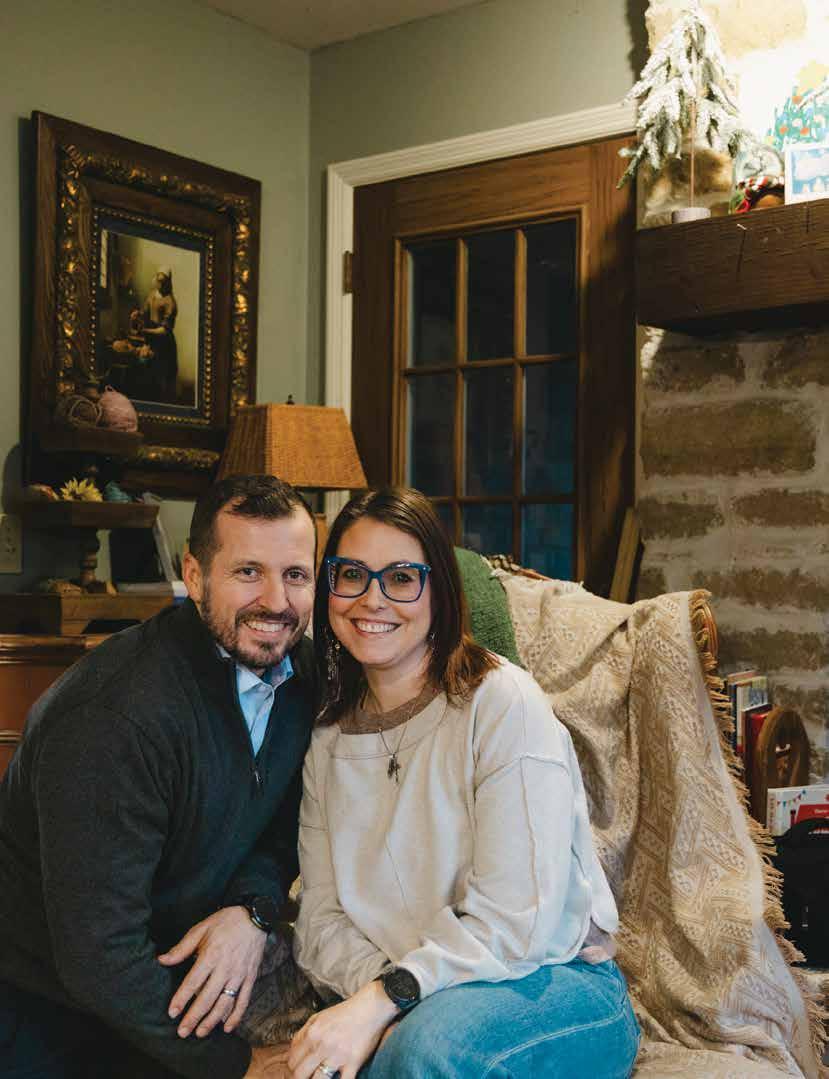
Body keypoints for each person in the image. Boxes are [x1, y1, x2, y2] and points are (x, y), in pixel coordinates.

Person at [288, 486, 640, 1079]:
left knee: (425, 1052)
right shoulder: (327, 739)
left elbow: (517, 921)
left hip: (553, 983)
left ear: (440, 592)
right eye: (351, 575)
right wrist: (385, 1001)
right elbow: (320, 922)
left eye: (402, 578)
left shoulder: (501, 703)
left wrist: (389, 1000)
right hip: (418, 993)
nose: (372, 599)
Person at [0, 474, 318, 1079]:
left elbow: (283, 827)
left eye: (295, 575)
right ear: (194, 576)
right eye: (248, 571)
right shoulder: (114, 716)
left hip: (162, 993)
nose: (276, 601)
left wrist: (252, 910)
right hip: (40, 1008)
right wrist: (239, 1065)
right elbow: (98, 955)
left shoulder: (300, 676)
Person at [132, 265, 179, 402]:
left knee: (161, 377)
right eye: (158, 280)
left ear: (168, 282)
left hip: (164, 343)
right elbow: (145, 312)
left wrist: (145, 331)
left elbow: (164, 330)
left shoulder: (170, 302)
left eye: (163, 281)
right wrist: (137, 314)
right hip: (151, 339)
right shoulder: (152, 295)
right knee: (146, 372)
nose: (160, 284)